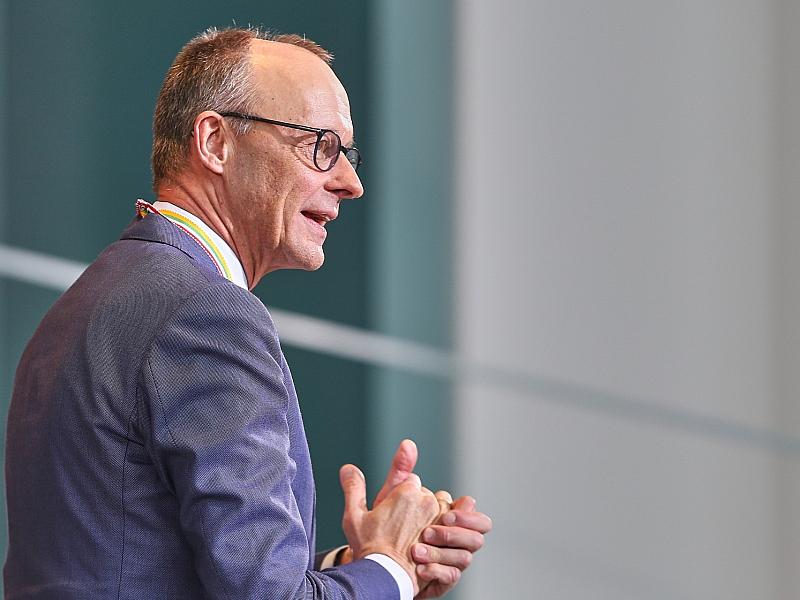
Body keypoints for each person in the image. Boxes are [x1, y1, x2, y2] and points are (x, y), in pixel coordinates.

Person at [4, 27, 491, 599]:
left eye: (347, 153)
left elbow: (167, 568)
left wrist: (364, 563)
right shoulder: (204, 313)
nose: (351, 182)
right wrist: (391, 572)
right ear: (215, 142)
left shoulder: (90, 301)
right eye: (321, 146)